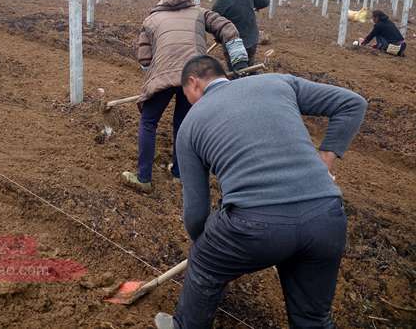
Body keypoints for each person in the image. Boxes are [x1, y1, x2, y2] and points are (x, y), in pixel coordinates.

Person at [154, 55, 367, 329]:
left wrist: (210, 247)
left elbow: (196, 214)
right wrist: (323, 162)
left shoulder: (190, 124)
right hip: (326, 216)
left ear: (193, 83)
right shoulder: (278, 82)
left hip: (254, 223)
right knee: (312, 319)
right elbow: (352, 104)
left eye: (186, 95)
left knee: (204, 260)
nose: (190, 102)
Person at [121, 0, 249, 193]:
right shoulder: (199, 12)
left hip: (163, 74)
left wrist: (152, 74)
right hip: (194, 75)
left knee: (148, 122)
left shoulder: (151, 19)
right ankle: (179, 175)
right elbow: (225, 26)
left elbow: (144, 58)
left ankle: (143, 177)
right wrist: (238, 57)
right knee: (182, 123)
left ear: (161, 0)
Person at [209, 0, 270, 67]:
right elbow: (265, 1)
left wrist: (219, 38)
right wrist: (254, 6)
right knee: (248, 66)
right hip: (252, 39)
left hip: (232, 45)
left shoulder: (218, 5)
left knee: (236, 72)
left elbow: (215, 28)